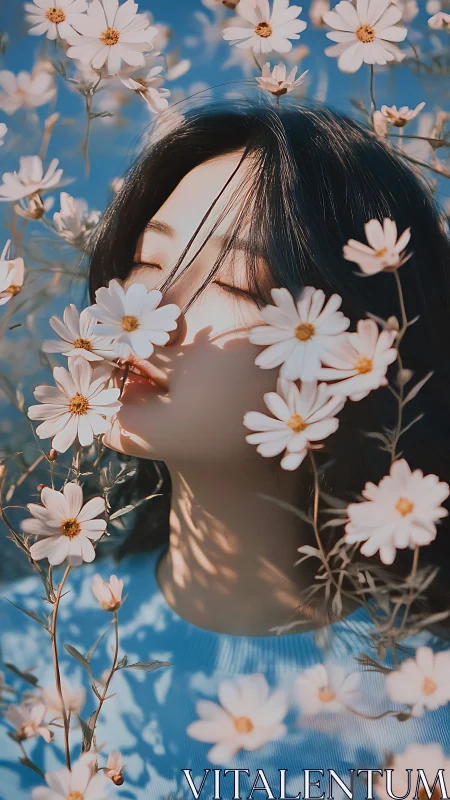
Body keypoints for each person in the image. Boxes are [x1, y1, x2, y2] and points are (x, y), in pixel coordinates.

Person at [1, 100, 450, 799]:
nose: (148, 314)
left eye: (234, 279)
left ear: (356, 355)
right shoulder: (25, 662)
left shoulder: (423, 714)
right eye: (148, 264)